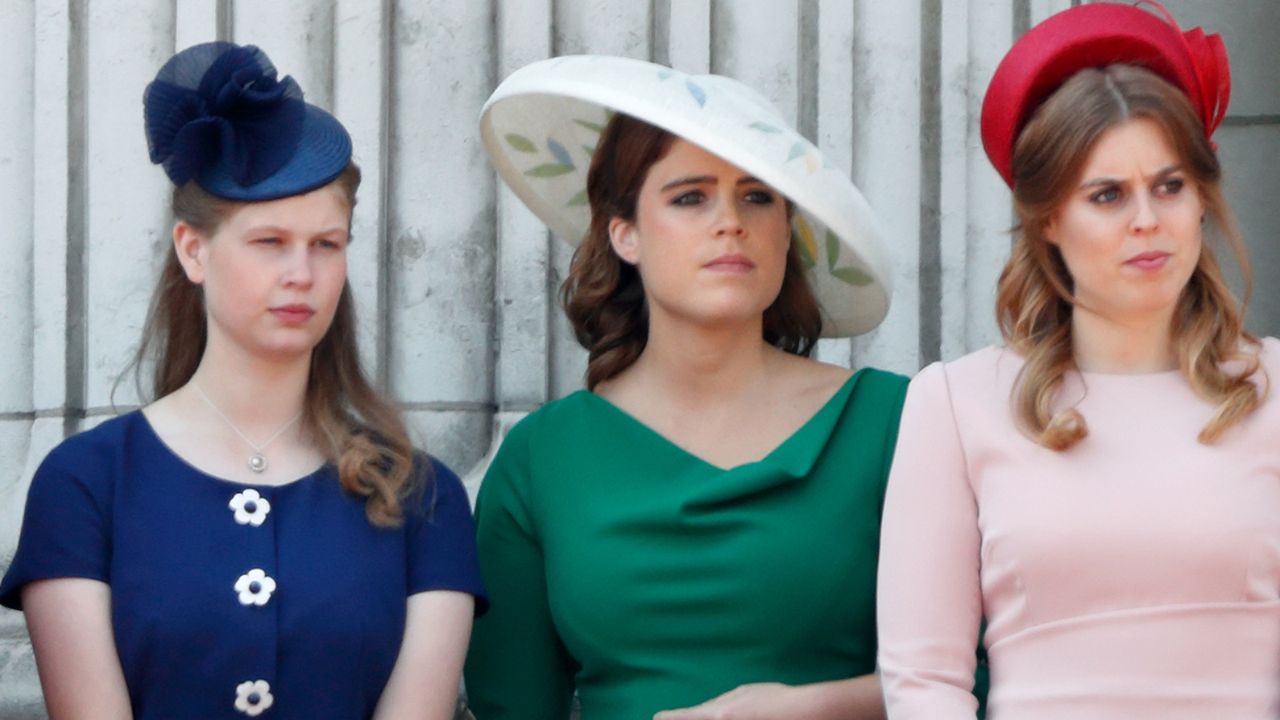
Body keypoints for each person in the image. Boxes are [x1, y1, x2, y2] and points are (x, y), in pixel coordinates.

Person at [0, 42, 485, 720]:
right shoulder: (86, 482)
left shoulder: (420, 495)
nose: (301, 273)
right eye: (269, 242)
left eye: (327, 243)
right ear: (193, 251)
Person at [465, 54, 931, 719]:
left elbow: (988, 673)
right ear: (623, 233)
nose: (730, 221)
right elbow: (511, 704)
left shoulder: (896, 423)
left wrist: (811, 708)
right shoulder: (540, 459)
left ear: (785, 231)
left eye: (757, 195)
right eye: (690, 197)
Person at [876, 3, 1280, 718]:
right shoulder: (954, 404)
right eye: (1107, 195)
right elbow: (924, 679)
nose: (1147, 219)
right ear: (1049, 220)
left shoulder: (1276, 390)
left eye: (1170, 185)